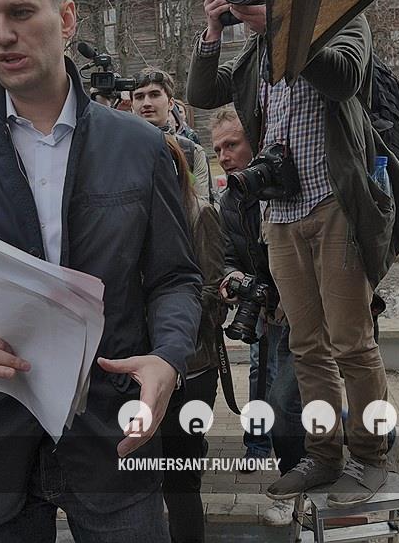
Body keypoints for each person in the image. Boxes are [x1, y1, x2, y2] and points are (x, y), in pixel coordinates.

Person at [0, 0, 201, 540]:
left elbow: (175, 278)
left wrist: (168, 356)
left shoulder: (139, 146)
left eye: (22, 13)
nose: (3, 35)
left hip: (112, 430)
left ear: (67, 19)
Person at [187, 1, 399, 508]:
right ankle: (323, 456)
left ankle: (370, 457)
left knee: (352, 344)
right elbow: (203, 94)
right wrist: (212, 30)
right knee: (306, 347)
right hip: (280, 215)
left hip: (335, 204)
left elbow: (342, 79)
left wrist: (285, 30)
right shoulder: (256, 51)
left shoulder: (341, 22)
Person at [211, 107, 306, 525]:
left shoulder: (290, 184)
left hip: (309, 312)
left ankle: (294, 486)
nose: (224, 156)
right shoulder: (230, 200)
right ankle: (292, 481)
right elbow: (228, 256)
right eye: (218, 149)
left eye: (232, 145)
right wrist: (233, 279)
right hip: (269, 314)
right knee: (285, 398)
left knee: (285, 400)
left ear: (257, 142)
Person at [158, 135, 225, 543]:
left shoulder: (199, 213)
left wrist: (164, 316)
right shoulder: (136, 215)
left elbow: (213, 290)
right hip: (142, 367)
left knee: (181, 480)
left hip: (193, 368)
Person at [131, 67, 212, 200]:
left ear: (170, 103)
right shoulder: (121, 151)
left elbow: (200, 206)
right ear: (132, 106)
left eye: (154, 95)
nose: (146, 103)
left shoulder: (192, 152)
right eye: (139, 97)